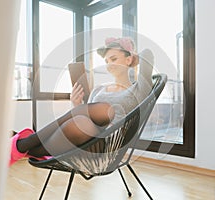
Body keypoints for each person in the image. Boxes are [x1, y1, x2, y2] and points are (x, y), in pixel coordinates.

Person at [9, 37, 154, 166]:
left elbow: (147, 53)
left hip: (105, 146)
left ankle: (25, 143)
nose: (109, 64)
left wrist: (128, 50)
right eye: (106, 61)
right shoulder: (99, 90)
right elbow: (86, 115)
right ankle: (27, 148)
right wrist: (76, 104)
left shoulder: (138, 90)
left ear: (129, 59)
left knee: (104, 109)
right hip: (82, 137)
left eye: (114, 59)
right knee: (81, 120)